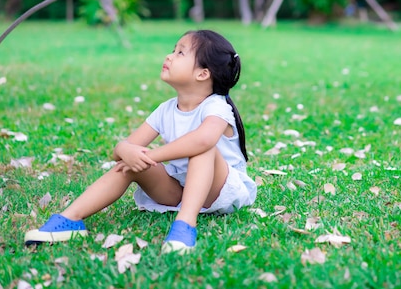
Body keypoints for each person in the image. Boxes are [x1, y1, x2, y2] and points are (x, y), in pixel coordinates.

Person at [24, 30, 257, 254]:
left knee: (203, 150)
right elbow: (122, 149)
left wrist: (151, 156)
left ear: (203, 74)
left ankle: (185, 224)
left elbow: (203, 140)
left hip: (221, 192)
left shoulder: (216, 106)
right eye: (173, 50)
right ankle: (70, 219)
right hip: (180, 189)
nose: (169, 56)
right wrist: (127, 150)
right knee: (129, 164)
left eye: (180, 53)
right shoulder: (165, 109)